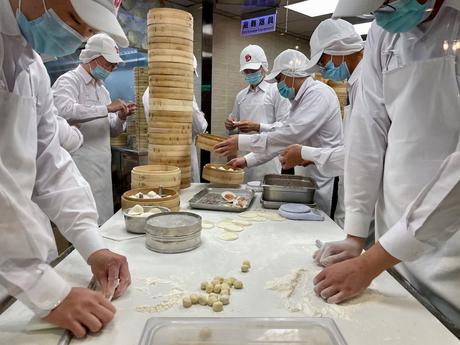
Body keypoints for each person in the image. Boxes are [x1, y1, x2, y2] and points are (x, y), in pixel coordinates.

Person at [313, 0, 460, 324]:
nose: (381, 16)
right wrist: (355, 235)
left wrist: (370, 263)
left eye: (387, 4)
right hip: (390, 244)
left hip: (452, 249)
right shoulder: (383, 33)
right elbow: (366, 136)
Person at [0, 0, 132, 337]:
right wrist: (48, 294)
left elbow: (49, 161)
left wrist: (93, 245)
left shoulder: (32, 67)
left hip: (17, 275)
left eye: (90, 29)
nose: (79, 33)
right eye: (75, 18)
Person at [216, 49, 343, 215]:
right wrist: (246, 160)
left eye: (279, 79)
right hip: (306, 168)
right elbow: (280, 140)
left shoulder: (318, 94)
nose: (278, 85)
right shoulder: (298, 99)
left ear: (291, 74)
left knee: (321, 217)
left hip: (324, 171)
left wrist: (241, 141)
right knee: (306, 215)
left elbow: (289, 135)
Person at [279, 18, 364, 228]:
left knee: (338, 227)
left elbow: (366, 150)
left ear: (339, 50)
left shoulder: (324, 93)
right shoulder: (355, 82)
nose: (323, 69)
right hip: (334, 170)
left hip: (344, 177)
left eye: (323, 61)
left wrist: (308, 154)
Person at [53, 33, 136, 225]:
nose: (113, 68)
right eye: (109, 63)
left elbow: (111, 130)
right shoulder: (69, 81)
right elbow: (62, 111)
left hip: (102, 167)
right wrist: (107, 108)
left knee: (102, 220)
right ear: (92, 58)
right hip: (80, 164)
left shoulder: (102, 89)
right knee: (83, 220)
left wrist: (120, 118)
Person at [224, 44, 291, 182]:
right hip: (242, 156)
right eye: (246, 71)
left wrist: (257, 126)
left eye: (253, 70)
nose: (249, 74)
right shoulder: (241, 96)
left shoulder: (276, 91)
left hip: (268, 159)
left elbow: (285, 127)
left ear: (264, 67)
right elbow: (234, 132)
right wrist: (230, 126)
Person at [142, 55, 208, 182]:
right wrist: (201, 117)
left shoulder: (148, 91)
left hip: (159, 155)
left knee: (164, 192)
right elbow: (199, 126)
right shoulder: (183, 91)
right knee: (186, 195)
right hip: (183, 157)